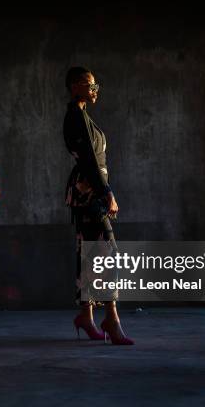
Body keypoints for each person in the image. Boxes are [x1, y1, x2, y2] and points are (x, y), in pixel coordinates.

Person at [63, 66, 134, 345]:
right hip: (90, 194)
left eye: (94, 83)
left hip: (89, 193)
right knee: (107, 254)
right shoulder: (75, 117)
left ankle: (86, 315)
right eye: (88, 83)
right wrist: (107, 193)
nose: (94, 89)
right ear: (74, 87)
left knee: (91, 255)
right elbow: (90, 161)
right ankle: (111, 318)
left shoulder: (82, 116)